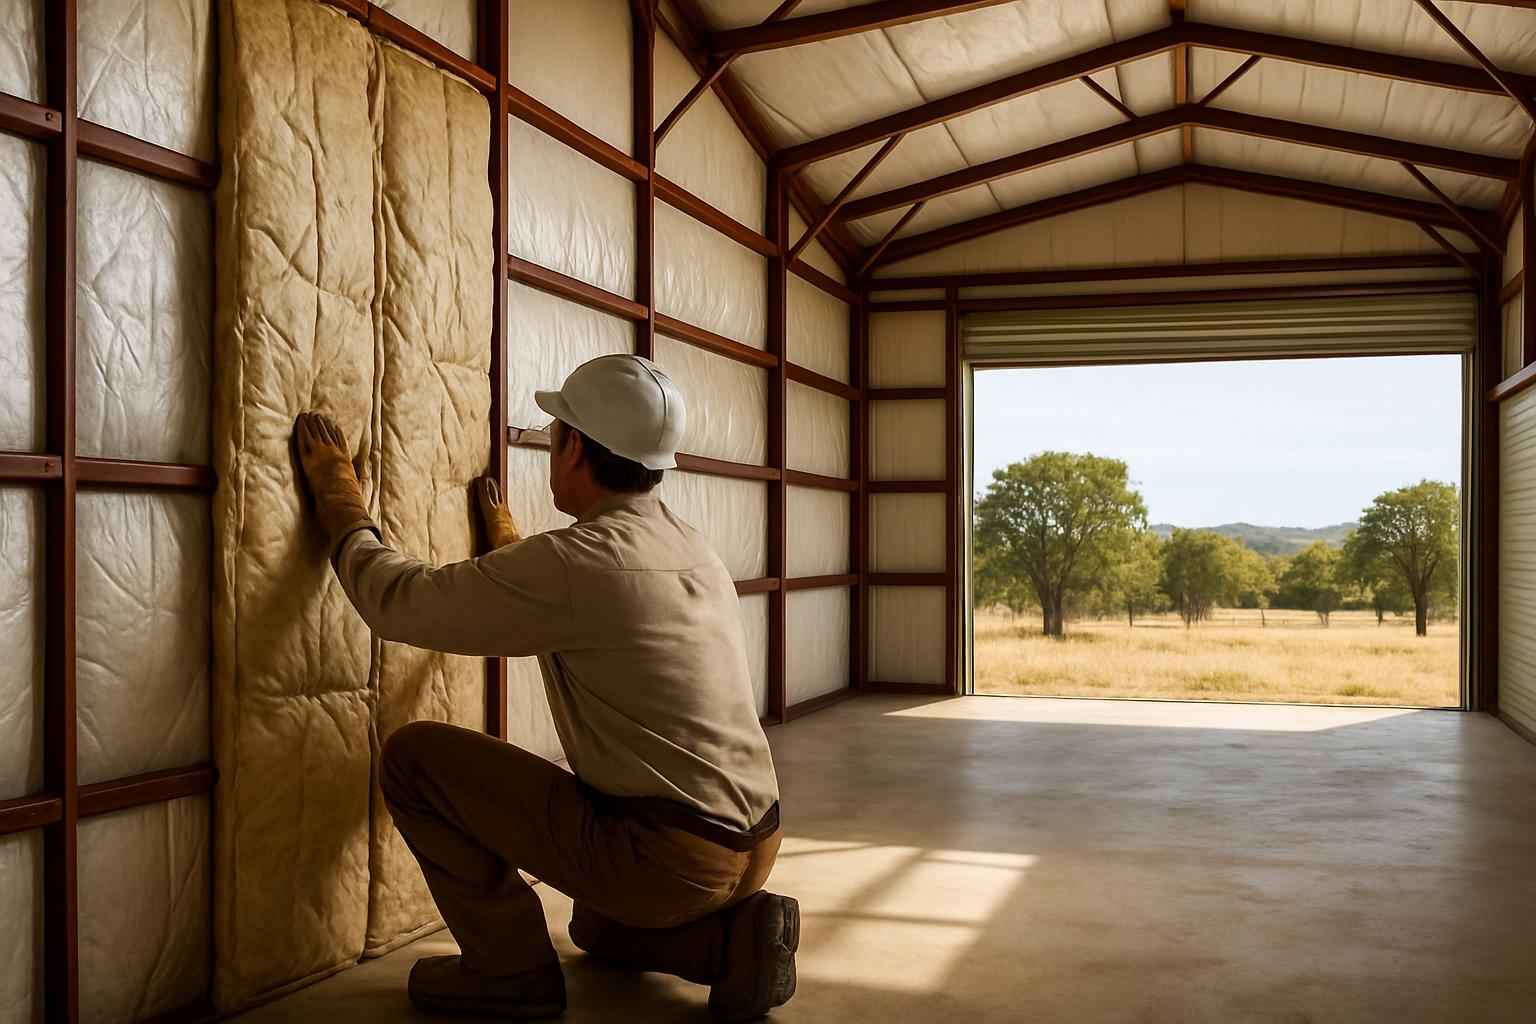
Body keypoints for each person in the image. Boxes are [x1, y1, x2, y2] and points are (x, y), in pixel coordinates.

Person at [292, 354, 796, 1021]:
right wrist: (506, 542)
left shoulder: (579, 564)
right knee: (593, 925)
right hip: (751, 842)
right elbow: (569, 598)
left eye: (555, 433)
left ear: (577, 447)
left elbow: (397, 605)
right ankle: (734, 943)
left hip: (666, 857)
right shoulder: (690, 548)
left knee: (414, 759)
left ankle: (509, 974)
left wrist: (340, 498)